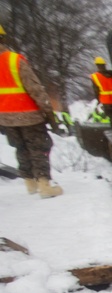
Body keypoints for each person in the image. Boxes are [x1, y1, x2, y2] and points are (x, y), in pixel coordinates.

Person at [0, 23, 63, 198]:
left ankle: (30, 183)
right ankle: (44, 186)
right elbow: (35, 88)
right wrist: (48, 112)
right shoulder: (14, 60)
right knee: (39, 148)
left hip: (5, 117)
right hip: (28, 115)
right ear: (3, 38)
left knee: (21, 148)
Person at [91, 56, 112, 140]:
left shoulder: (95, 76)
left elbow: (96, 90)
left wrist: (98, 100)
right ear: (104, 65)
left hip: (106, 101)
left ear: (97, 65)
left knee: (111, 117)